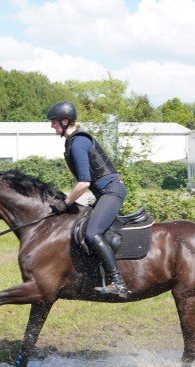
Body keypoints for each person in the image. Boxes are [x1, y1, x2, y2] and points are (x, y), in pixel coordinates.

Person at [47, 100, 129, 298]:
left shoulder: (78, 142)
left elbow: (84, 182)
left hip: (111, 191)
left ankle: (117, 283)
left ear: (65, 121)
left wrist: (66, 202)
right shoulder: (74, 141)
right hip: (103, 192)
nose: (51, 126)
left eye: (54, 122)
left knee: (93, 234)